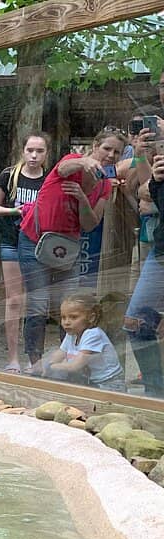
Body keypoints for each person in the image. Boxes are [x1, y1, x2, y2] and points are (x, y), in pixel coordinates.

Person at [17, 126, 123, 371]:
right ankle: (35, 365)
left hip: (67, 248)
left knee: (71, 306)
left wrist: (82, 198)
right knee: (38, 305)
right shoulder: (73, 161)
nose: (110, 155)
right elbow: (63, 169)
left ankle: (68, 364)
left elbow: (90, 223)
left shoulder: (104, 185)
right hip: (35, 240)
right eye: (106, 148)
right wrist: (85, 161)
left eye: (117, 152)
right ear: (95, 146)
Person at [0, 132, 50, 373]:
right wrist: (17, 211)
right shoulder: (9, 175)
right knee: (14, 300)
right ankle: (12, 357)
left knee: (37, 302)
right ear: (22, 151)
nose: (34, 156)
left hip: (38, 244)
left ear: (46, 154)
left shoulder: (49, 178)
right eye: (30, 150)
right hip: (12, 242)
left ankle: (35, 358)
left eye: (39, 151)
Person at [123, 133, 164, 396]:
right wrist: (141, 159)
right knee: (136, 321)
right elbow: (144, 191)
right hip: (160, 252)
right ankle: (155, 392)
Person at [40, 293, 125, 391]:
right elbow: (60, 353)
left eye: (73, 317)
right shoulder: (72, 334)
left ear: (91, 318)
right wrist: (48, 365)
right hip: (91, 381)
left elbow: (75, 366)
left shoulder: (93, 334)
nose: (66, 322)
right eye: (63, 317)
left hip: (109, 384)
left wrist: (53, 367)